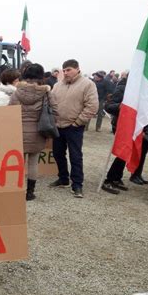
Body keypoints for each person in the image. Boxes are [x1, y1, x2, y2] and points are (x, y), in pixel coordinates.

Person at [50, 59, 98, 198]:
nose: (66, 73)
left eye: (69, 70)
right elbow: (51, 102)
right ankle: (63, 178)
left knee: (75, 156)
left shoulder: (88, 84)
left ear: (77, 69)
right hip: (58, 126)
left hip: (74, 127)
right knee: (58, 154)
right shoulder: (58, 85)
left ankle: (77, 184)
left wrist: (78, 122)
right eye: (64, 70)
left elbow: (92, 106)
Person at [9, 64, 58, 201]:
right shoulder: (46, 93)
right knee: (33, 163)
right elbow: (55, 110)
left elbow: (9, 111)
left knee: (18, 163)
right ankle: (30, 193)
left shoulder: (17, 92)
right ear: (41, 76)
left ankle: (17, 190)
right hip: (38, 132)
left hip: (19, 132)